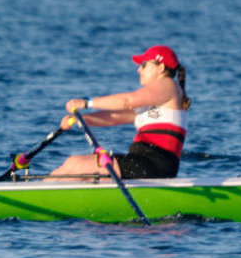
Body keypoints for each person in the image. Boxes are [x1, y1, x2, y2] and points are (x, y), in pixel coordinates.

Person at [49, 45, 189, 180]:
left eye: (144, 64)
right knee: (74, 168)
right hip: (143, 163)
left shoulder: (168, 85)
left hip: (154, 165)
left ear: (161, 68)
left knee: (76, 164)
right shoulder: (157, 101)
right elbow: (114, 117)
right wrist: (80, 119)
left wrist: (87, 103)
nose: (139, 70)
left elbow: (127, 101)